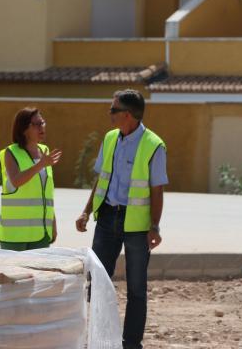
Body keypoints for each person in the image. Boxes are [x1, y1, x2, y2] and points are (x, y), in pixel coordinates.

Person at [75, 89, 168, 349]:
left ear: (127, 115)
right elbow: (101, 178)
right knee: (95, 282)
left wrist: (154, 226)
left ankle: (131, 344)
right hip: (106, 218)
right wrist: (86, 210)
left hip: (137, 226)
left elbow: (157, 189)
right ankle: (97, 338)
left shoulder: (154, 145)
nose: (109, 114)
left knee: (137, 289)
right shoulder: (110, 138)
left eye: (113, 110)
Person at [0, 108, 62, 251]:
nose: (42, 127)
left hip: (40, 233)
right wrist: (41, 164)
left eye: (43, 123)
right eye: (37, 124)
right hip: (14, 235)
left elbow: (46, 192)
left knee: (39, 274)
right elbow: (16, 181)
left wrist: (53, 222)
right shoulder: (11, 152)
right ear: (24, 129)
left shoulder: (45, 151)